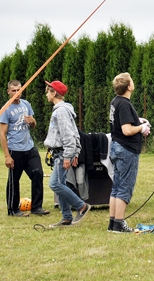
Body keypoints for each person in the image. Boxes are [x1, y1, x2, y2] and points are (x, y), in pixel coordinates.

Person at [43, 80, 91, 228]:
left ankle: (81, 206)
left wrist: (69, 155)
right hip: (59, 153)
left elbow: (68, 135)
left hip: (62, 153)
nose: (46, 94)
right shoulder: (61, 110)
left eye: (48, 91)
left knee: (55, 184)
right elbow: (75, 133)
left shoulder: (61, 111)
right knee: (61, 184)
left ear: (54, 93)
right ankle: (66, 217)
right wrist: (76, 152)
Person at [108, 72, 150, 233]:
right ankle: (119, 223)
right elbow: (126, 130)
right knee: (125, 187)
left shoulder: (116, 102)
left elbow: (122, 121)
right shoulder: (125, 104)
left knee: (116, 186)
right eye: (132, 81)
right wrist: (142, 128)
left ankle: (112, 223)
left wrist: (138, 121)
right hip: (126, 150)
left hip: (117, 148)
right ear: (129, 86)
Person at [0, 80, 49, 217]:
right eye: (13, 91)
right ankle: (13, 210)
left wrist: (33, 122)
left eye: (19, 90)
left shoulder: (26, 104)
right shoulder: (6, 109)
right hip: (15, 150)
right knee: (14, 181)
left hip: (30, 148)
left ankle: (37, 207)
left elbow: (33, 124)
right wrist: (7, 156)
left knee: (37, 174)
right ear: (8, 91)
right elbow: (2, 135)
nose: (17, 93)